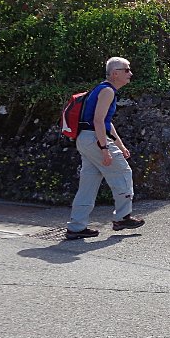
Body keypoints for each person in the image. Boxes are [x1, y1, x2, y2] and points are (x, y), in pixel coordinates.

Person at [65, 57, 146, 240]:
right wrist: (104, 148)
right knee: (123, 172)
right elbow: (98, 121)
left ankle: (76, 227)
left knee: (88, 184)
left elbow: (107, 123)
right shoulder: (107, 91)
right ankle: (122, 218)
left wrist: (120, 146)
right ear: (115, 73)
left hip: (85, 139)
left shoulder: (103, 89)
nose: (130, 73)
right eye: (127, 70)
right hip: (94, 139)